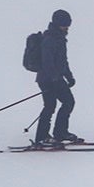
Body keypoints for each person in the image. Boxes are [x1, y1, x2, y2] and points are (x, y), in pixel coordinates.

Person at [35, 9, 81, 146]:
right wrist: (55, 77)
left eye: (68, 25)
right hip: (46, 79)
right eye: (64, 25)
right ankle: (41, 137)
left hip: (56, 78)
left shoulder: (60, 39)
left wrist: (69, 76)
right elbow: (47, 61)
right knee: (50, 106)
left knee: (68, 102)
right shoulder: (49, 39)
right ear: (57, 24)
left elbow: (63, 61)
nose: (67, 27)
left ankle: (60, 132)